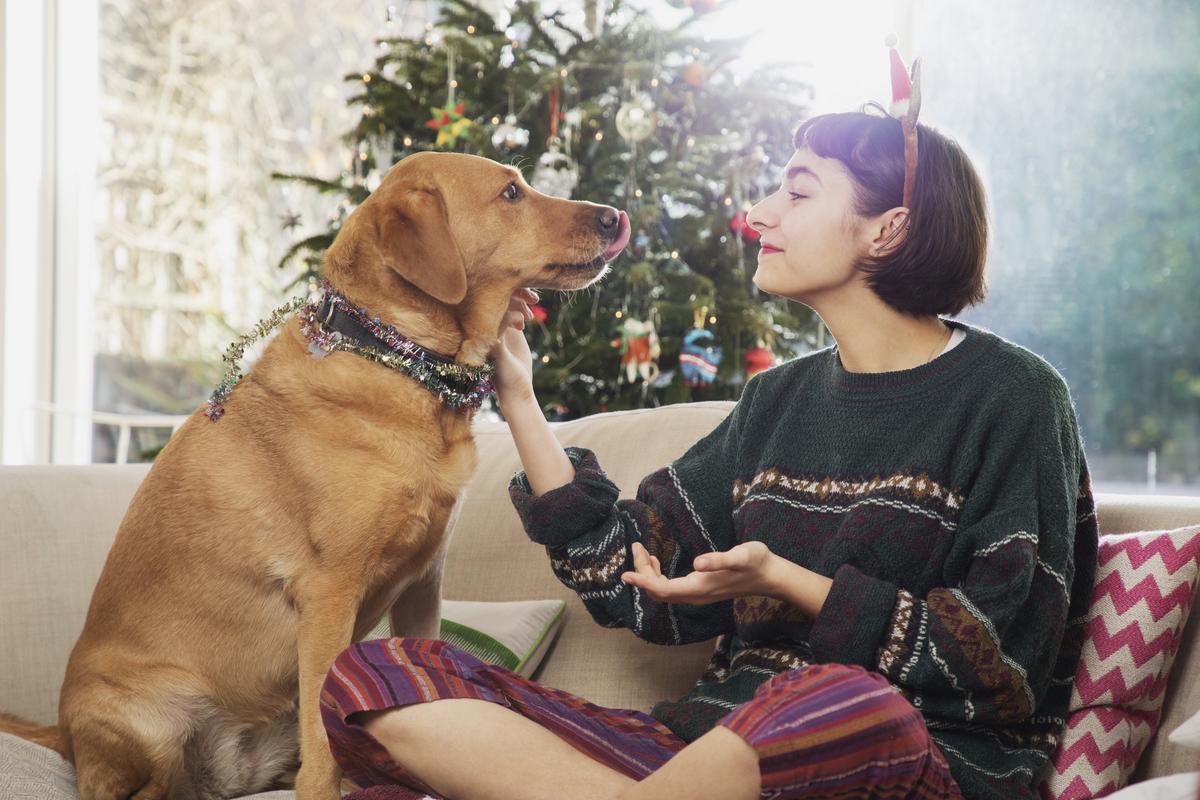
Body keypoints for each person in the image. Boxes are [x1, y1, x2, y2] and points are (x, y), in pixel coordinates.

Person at [319, 47, 1099, 800]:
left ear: (886, 230)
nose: (758, 214)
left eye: (797, 193)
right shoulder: (777, 402)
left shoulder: (1014, 397)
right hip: (699, 763)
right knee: (370, 680)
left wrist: (784, 582)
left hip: (903, 756)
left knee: (842, 700)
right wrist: (519, 398)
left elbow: (1001, 663)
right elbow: (631, 579)